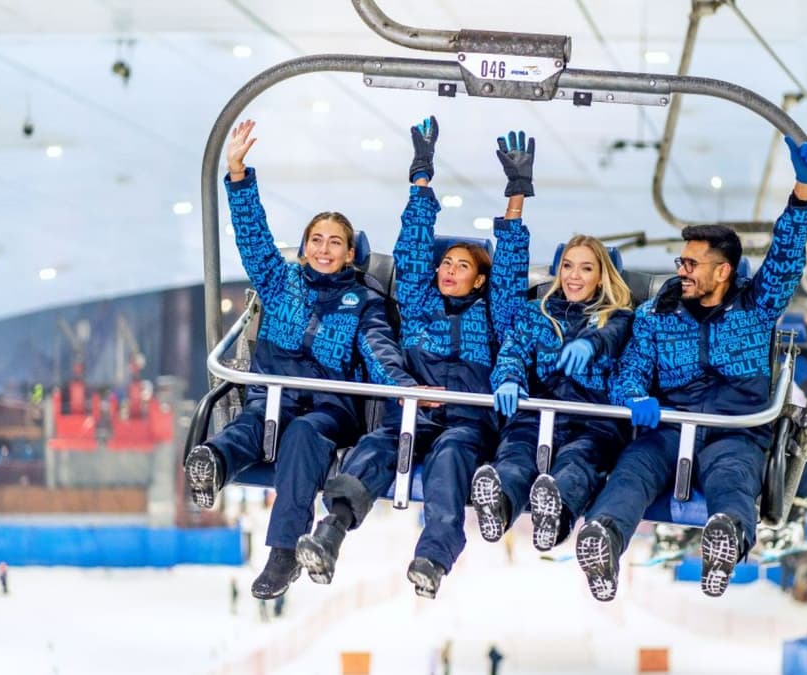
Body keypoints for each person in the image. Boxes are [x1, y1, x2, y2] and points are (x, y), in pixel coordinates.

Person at [573, 137, 807, 601]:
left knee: (733, 479)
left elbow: (786, 260)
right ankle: (604, 539)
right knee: (633, 472)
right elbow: (630, 369)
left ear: (723, 271)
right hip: (669, 427)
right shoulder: (658, 314)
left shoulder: (755, 308)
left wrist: (802, 192)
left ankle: (725, 537)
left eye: (692, 263)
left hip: (735, 430)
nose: (682, 270)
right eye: (681, 261)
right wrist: (634, 398)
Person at [296, 118, 531, 599]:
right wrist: (421, 174)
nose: (448, 270)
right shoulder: (421, 305)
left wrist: (516, 196)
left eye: (462, 266)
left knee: (449, 463)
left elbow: (509, 272)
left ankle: (432, 558)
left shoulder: (494, 315)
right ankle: (331, 532)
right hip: (411, 415)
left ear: (478, 280)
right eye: (446, 264)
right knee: (374, 451)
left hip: (467, 421)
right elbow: (414, 246)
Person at [184, 119, 417, 599]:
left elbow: (378, 348)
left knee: (303, 436)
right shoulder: (279, 280)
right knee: (250, 426)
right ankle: (214, 464)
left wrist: (400, 385)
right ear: (306, 247)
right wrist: (238, 175)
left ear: (350, 253)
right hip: (272, 395)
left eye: (335, 242)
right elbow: (253, 239)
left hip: (329, 407)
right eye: (316, 240)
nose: (323, 249)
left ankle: (283, 552)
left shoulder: (363, 301)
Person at [471, 234, 634, 551]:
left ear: (601, 276)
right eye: (568, 267)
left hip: (591, 421)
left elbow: (615, 337)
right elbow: (513, 352)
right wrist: (509, 379)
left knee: (577, 462)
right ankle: (499, 507)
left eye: (586, 269)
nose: (574, 276)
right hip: (537, 415)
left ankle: (555, 516)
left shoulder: (619, 317)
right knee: (517, 456)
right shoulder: (536, 313)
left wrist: (592, 343)